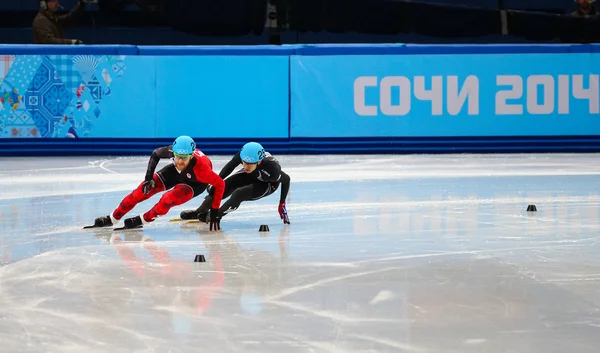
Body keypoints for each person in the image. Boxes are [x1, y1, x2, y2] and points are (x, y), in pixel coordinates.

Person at [90, 136, 225, 230]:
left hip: (195, 183)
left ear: (191, 156)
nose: (179, 161)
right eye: (177, 156)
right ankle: (113, 218)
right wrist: (148, 177)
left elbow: (220, 184)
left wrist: (214, 211)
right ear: (173, 152)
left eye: (184, 158)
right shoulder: (173, 152)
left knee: (167, 199)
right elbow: (155, 154)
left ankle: (142, 219)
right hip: (174, 174)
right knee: (140, 192)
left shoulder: (203, 170)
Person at [179, 141, 291, 224]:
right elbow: (230, 166)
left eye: (249, 164)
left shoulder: (272, 169)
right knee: (218, 188)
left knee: (239, 193)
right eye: (244, 163)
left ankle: (218, 215)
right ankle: (200, 211)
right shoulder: (244, 154)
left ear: (259, 161)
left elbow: (287, 179)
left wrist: (282, 203)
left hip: (267, 184)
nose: (246, 166)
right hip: (252, 174)